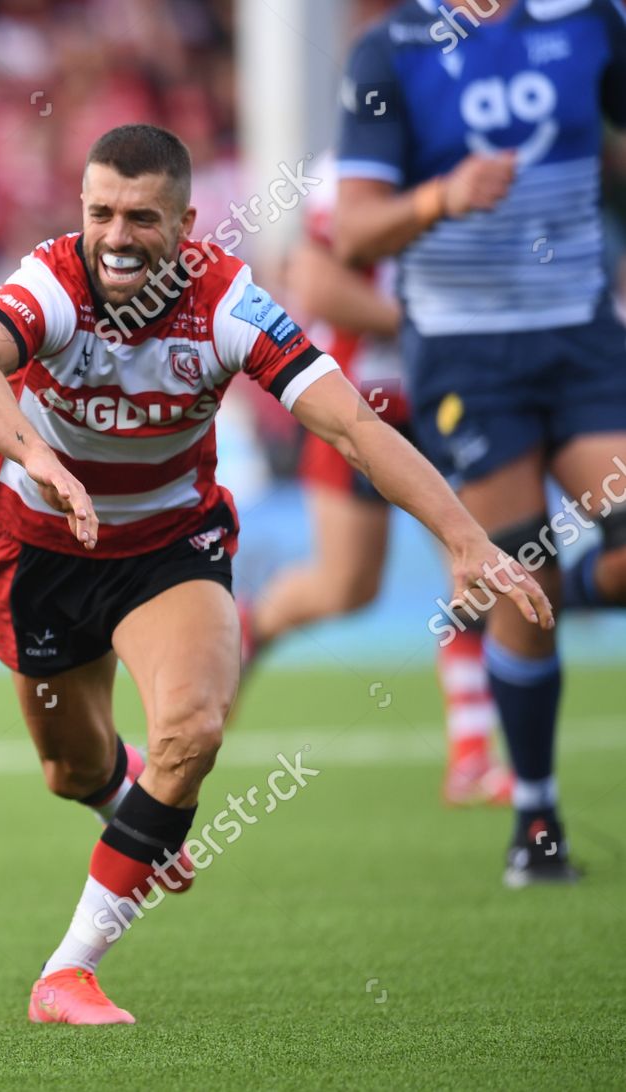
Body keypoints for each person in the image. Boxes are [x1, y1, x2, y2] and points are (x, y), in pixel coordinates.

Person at [0, 123, 551, 1025]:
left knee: (193, 730)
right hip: (43, 548)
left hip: (167, 551)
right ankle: (124, 796)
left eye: (141, 217)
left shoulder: (228, 304)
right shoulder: (53, 281)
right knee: (71, 770)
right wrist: (40, 457)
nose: (115, 236)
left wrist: (462, 539)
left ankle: (67, 971)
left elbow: (356, 428)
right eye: (100, 212)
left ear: (186, 222)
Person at [336, 0, 626, 884]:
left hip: (583, 339)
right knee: (519, 577)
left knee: (533, 586)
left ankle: (554, 591)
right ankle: (535, 822)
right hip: (467, 359)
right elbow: (353, 231)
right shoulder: (389, 53)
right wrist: (442, 196)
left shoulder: (596, 23)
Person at [241, 153, 509, 807]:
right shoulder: (349, 176)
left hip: (445, 402)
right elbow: (321, 289)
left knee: (473, 560)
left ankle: (472, 757)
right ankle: (252, 624)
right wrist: (423, 327)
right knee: (346, 588)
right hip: (355, 405)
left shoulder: (470, 158)